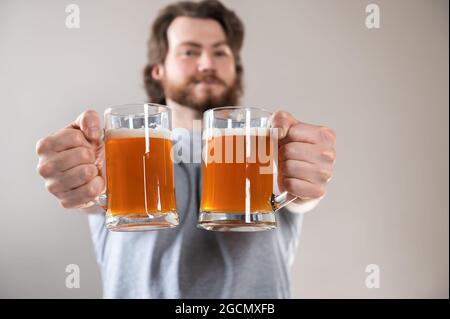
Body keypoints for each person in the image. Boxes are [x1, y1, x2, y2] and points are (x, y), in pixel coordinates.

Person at [35, 0, 336, 298]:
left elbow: (297, 197)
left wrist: (304, 178)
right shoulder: (115, 151)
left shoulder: (265, 149)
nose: (207, 64)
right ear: (158, 70)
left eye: (220, 52)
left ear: (235, 66)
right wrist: (77, 172)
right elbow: (91, 198)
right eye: (190, 51)